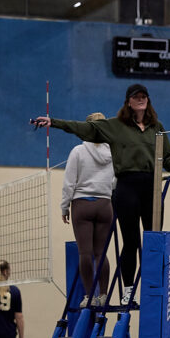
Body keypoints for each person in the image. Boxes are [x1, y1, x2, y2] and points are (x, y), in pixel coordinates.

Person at [33, 84, 170, 305]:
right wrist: (53, 122)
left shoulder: (157, 127)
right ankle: (128, 291)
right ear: (128, 101)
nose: (141, 99)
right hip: (127, 187)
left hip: (151, 186)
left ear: (148, 100)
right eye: (136, 97)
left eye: (144, 96)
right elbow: (83, 128)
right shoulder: (115, 125)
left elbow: (168, 157)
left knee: (154, 240)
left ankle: (152, 289)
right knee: (131, 242)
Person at [61, 112, 115, 306]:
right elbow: (115, 180)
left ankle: (89, 296)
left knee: (85, 253)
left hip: (82, 204)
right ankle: (103, 295)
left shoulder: (78, 151)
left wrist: (64, 206)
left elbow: (69, 182)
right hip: (104, 204)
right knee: (101, 253)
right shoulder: (113, 152)